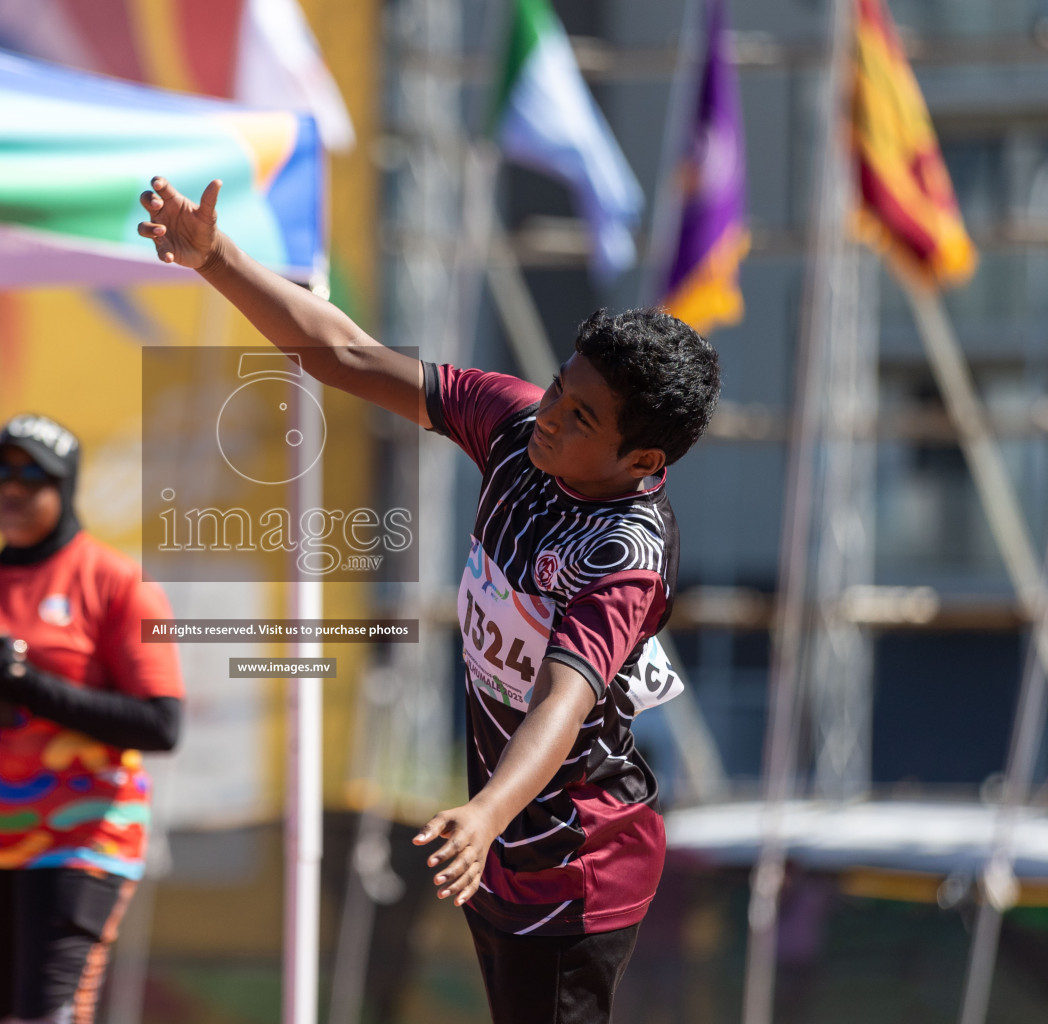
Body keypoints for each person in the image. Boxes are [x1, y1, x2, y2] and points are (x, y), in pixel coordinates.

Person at [137, 177, 719, 1024]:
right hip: (495, 838)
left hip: (571, 857)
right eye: (560, 386)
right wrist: (217, 259)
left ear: (643, 462)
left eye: (583, 415)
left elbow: (563, 700)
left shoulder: (624, 553)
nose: (552, 413)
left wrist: (485, 814)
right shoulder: (521, 429)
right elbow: (346, 354)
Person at [0, 413, 184, 1024]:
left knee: (48, 1017)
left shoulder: (117, 582)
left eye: (32, 476)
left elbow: (160, 724)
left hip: (81, 837)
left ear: (67, 486)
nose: (12, 491)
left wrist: (27, 686)